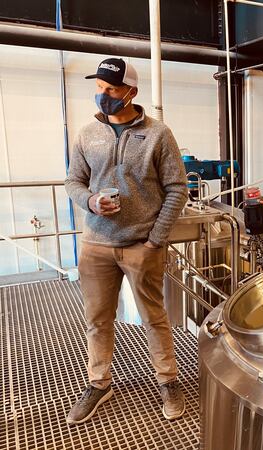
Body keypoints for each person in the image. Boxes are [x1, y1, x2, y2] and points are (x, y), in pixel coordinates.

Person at [64, 58, 188, 424]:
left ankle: (167, 380)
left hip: (141, 245)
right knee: (98, 319)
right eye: (99, 88)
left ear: (131, 92)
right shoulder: (87, 133)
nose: (103, 95)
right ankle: (99, 383)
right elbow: (73, 181)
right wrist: (90, 201)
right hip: (96, 245)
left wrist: (154, 240)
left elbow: (177, 189)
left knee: (154, 317)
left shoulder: (158, 134)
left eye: (111, 89)